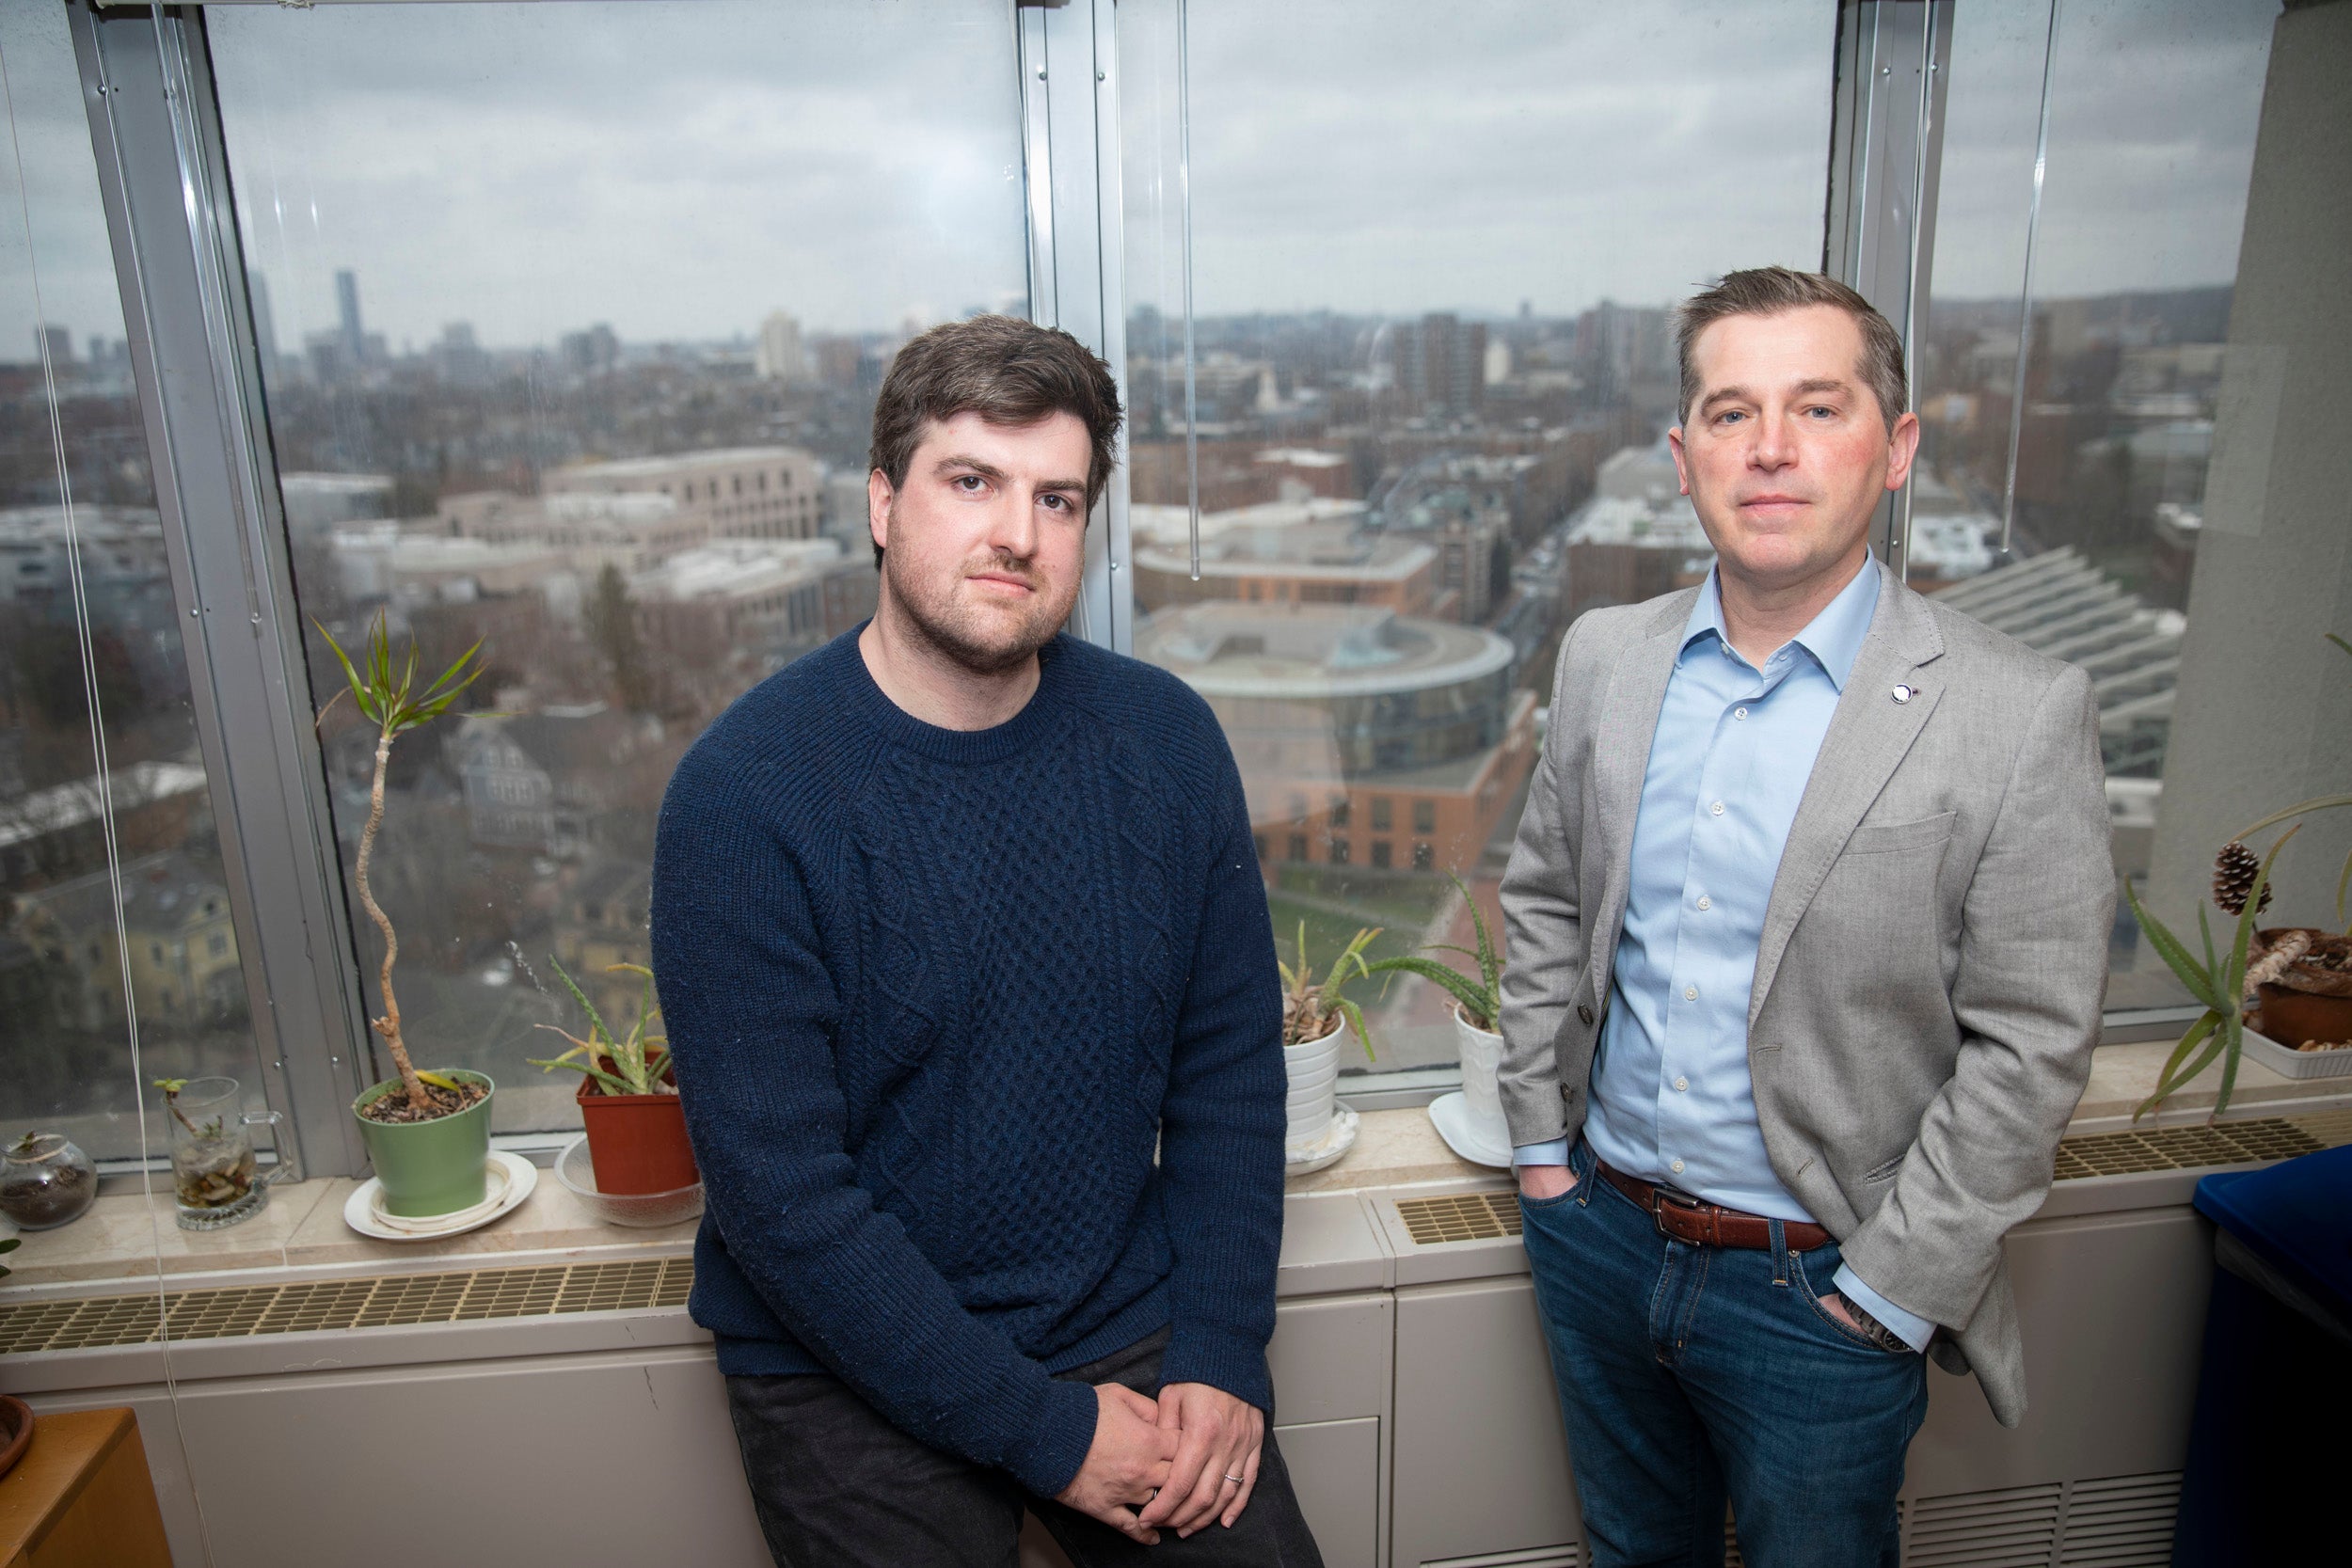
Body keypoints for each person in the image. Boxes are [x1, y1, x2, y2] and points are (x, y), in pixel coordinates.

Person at [651, 315, 1323, 1567]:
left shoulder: (1166, 744)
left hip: (1117, 1309)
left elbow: (1228, 1071)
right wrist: (1047, 1434)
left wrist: (1224, 1351)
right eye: (972, 482)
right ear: (881, 502)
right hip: (838, 1350)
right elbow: (783, 1202)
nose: (1018, 531)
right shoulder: (745, 795)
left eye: (1057, 499)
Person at [1497, 268, 2113, 1567]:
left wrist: (1887, 1294)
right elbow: (1548, 898)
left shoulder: (2016, 712)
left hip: (1822, 1293)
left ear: (1896, 450)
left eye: (1817, 408)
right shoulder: (1607, 656)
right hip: (1600, 1241)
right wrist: (1545, 1157)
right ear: (1683, 457)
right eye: (1730, 413)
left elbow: (2035, 1040)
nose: (1769, 448)